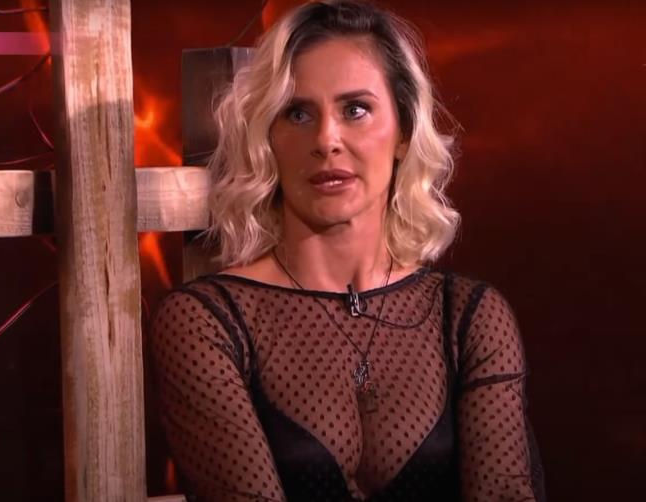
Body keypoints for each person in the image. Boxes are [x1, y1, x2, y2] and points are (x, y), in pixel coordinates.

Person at [150, 1, 546, 500]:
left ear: (403, 132)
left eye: (355, 109)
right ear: (267, 138)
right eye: (297, 113)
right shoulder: (205, 322)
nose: (326, 140)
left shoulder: (469, 318)